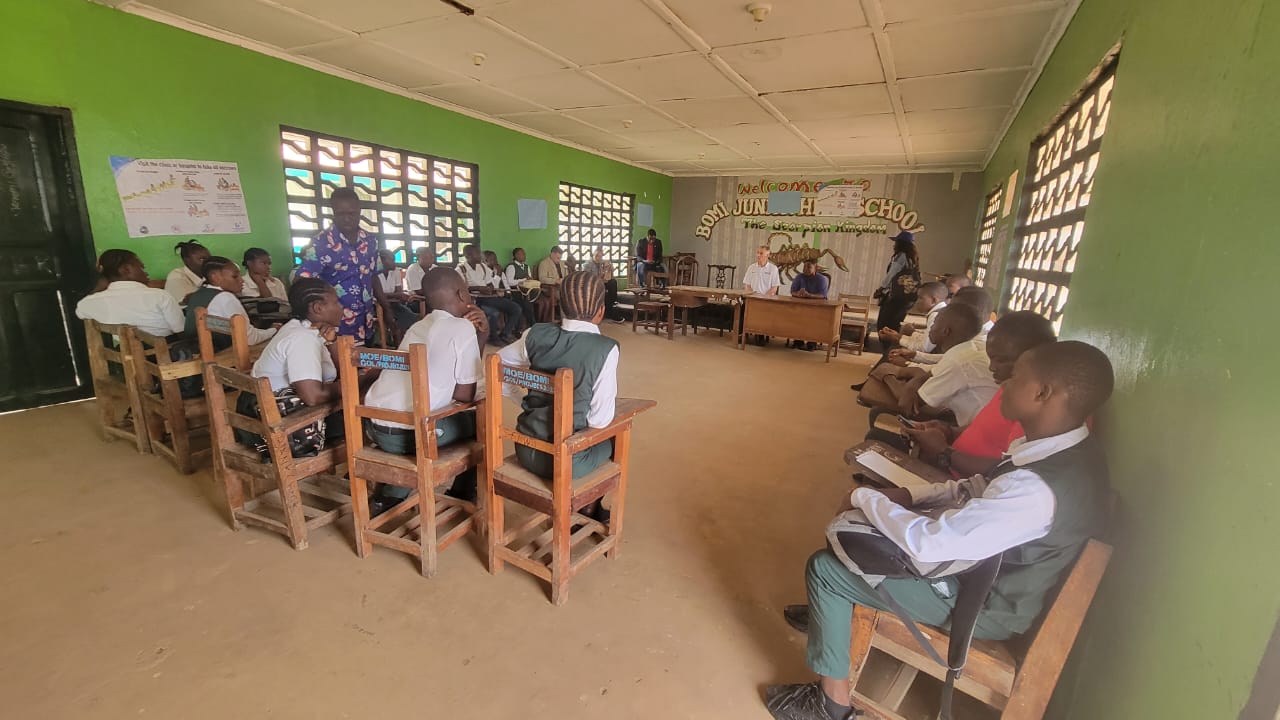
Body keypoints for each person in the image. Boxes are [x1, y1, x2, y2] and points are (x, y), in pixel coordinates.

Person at [764, 341, 1113, 720]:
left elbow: (929, 544)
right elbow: (978, 486)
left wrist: (867, 499)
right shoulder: (1062, 451)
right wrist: (904, 494)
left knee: (828, 568)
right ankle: (830, 618)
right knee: (862, 534)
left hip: (987, 605)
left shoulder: (1036, 490)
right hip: (991, 578)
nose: (1004, 385)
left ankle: (831, 705)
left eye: (1015, 378)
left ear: (1043, 393)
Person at [363, 267, 489, 512]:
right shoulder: (461, 329)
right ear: (462, 294)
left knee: (430, 414)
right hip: (408, 436)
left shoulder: (418, 327)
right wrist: (480, 335)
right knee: (481, 420)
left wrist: (481, 337)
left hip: (375, 427)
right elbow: (464, 395)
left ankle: (388, 495)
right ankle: (462, 493)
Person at [498, 271, 618, 521]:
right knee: (614, 435)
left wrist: (521, 399)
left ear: (560, 306)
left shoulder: (535, 334)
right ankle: (589, 504)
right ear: (601, 311)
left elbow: (495, 363)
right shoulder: (605, 349)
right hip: (567, 462)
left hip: (525, 448)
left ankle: (588, 505)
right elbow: (599, 421)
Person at [905, 311, 1057, 478]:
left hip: (961, 483)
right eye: (991, 358)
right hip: (950, 461)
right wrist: (947, 430)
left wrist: (944, 452)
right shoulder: (1011, 385)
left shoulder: (1038, 410)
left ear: (1033, 357)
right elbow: (983, 429)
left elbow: (1006, 471)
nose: (992, 367)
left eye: (1002, 360)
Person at [243, 278, 352, 447]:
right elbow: (313, 397)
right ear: (317, 308)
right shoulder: (301, 338)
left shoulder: (301, 328)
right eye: (336, 302)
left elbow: (339, 371)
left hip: (274, 414)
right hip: (279, 428)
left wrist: (331, 342)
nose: (341, 307)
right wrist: (355, 384)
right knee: (364, 415)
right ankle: (355, 471)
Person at [295, 187, 396, 345]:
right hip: (334, 329)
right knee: (340, 369)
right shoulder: (320, 244)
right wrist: (312, 321)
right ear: (333, 212)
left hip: (366, 323)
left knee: (366, 368)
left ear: (359, 211)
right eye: (341, 214)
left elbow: (373, 276)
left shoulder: (370, 241)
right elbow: (301, 283)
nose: (347, 219)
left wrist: (387, 310)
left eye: (352, 213)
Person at [880, 304, 997, 426]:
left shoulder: (958, 361)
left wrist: (886, 374)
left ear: (945, 331)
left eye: (934, 324)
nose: (929, 329)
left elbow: (907, 403)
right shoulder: (970, 349)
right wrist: (916, 378)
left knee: (881, 411)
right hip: (972, 419)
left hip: (972, 429)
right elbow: (931, 371)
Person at [76, 249, 184, 338]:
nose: (145, 273)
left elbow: (80, 311)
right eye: (141, 267)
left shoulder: (90, 302)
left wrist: (101, 286)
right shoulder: (160, 296)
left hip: (124, 357)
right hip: (164, 355)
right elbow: (181, 330)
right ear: (126, 269)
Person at [183, 256, 278, 347]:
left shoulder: (198, 294)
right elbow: (250, 339)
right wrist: (273, 330)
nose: (241, 280)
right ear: (215, 277)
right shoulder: (225, 297)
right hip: (221, 354)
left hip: (198, 350)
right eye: (235, 276)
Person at [457, 243, 522, 345]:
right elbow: (460, 289)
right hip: (474, 300)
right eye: (477, 253)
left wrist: (490, 287)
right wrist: (478, 288)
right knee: (493, 313)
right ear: (468, 256)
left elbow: (491, 282)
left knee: (516, 308)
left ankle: (505, 334)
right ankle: (493, 338)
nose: (480, 256)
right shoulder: (460, 269)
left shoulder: (482, 266)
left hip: (488, 297)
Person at [877, 281, 947, 353]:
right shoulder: (941, 311)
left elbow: (924, 348)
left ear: (933, 300)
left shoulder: (936, 316)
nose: (916, 302)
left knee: (893, 352)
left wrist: (896, 338)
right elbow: (927, 338)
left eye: (920, 298)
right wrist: (898, 335)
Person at [874, 230, 920, 332]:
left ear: (900, 243)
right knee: (895, 322)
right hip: (906, 297)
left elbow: (892, 274)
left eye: (896, 242)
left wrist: (881, 288)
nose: (894, 245)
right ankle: (891, 344)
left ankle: (887, 345)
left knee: (884, 323)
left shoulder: (901, 256)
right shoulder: (912, 258)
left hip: (895, 296)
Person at [743, 245, 781, 346]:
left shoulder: (773, 269)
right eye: (757, 252)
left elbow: (774, 287)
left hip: (766, 299)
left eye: (761, 253)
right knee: (742, 307)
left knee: (763, 311)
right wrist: (752, 295)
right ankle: (743, 334)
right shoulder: (751, 267)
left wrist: (764, 298)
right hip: (752, 298)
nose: (758, 255)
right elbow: (747, 284)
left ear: (768, 255)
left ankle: (760, 336)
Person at [487, 249, 536, 327]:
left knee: (529, 301)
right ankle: (528, 325)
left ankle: (529, 324)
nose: (524, 255)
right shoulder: (511, 267)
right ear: (516, 256)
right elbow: (510, 282)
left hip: (521, 291)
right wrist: (523, 280)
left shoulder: (526, 267)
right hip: (515, 291)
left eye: (524, 254)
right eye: (521, 254)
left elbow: (506, 282)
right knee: (524, 304)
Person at [788, 260, 830, 350]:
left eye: (809, 267)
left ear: (815, 267)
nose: (805, 269)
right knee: (796, 316)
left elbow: (823, 295)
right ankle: (798, 341)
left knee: (813, 319)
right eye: (804, 267)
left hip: (817, 307)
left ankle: (812, 342)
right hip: (802, 305)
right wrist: (798, 294)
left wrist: (809, 295)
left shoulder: (822, 279)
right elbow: (792, 291)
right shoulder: (799, 277)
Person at [582, 246, 624, 322]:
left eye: (600, 256)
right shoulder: (587, 265)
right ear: (592, 255)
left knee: (613, 282)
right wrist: (601, 278)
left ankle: (613, 302)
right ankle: (611, 312)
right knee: (604, 292)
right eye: (597, 256)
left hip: (601, 283)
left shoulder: (602, 263)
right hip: (592, 286)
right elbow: (588, 279)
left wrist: (610, 269)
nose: (598, 258)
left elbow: (609, 276)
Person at [164, 239, 209, 305]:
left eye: (209, 258)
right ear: (187, 260)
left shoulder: (207, 274)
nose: (208, 262)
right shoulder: (176, 277)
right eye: (202, 259)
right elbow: (188, 304)